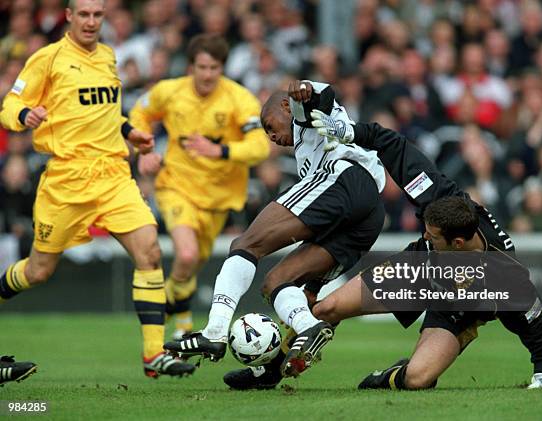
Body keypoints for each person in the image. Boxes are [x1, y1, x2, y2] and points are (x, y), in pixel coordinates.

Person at [223, 112, 542, 390]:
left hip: (460, 308)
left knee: (418, 378)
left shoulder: (502, 273)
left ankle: (386, 378)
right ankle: (269, 374)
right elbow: (392, 145)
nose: (425, 235)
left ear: (458, 244)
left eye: (432, 237)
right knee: (326, 309)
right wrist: (349, 130)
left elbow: (536, 323)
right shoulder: (438, 196)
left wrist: (541, 373)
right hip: (418, 271)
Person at [0, 0, 194, 378]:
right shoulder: (48, 58)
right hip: (66, 181)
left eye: (97, 14)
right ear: (69, 16)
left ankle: (154, 355)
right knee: (39, 271)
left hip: (113, 175)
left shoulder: (107, 55)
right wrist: (26, 115)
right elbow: (10, 104)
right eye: (84, 14)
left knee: (150, 251)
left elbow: (103, 112)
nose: (91, 22)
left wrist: (128, 131)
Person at [163, 80, 386, 378]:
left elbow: (319, 95)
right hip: (369, 213)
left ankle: (215, 330)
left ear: (284, 107)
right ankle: (306, 331)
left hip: (343, 178)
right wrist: (313, 291)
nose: (271, 137)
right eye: (266, 133)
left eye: (270, 126)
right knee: (276, 281)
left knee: (245, 244)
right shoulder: (309, 149)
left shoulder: (302, 115)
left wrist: (302, 90)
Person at [129, 34, 270, 340]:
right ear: (191, 66)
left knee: (190, 265)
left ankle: (179, 310)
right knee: (188, 254)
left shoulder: (239, 99)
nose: (207, 74)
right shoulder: (169, 91)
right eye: (202, 67)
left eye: (214, 68)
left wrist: (219, 150)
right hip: (176, 186)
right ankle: (164, 307)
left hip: (219, 199)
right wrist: (145, 150)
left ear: (222, 68)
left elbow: (260, 146)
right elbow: (139, 113)